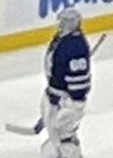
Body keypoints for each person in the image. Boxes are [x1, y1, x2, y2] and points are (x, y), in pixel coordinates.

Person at [40, 8, 91, 158]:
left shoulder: (75, 47)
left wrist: (71, 103)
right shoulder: (63, 40)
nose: (60, 24)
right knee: (56, 136)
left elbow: (79, 83)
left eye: (63, 22)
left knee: (64, 137)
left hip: (66, 100)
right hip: (56, 96)